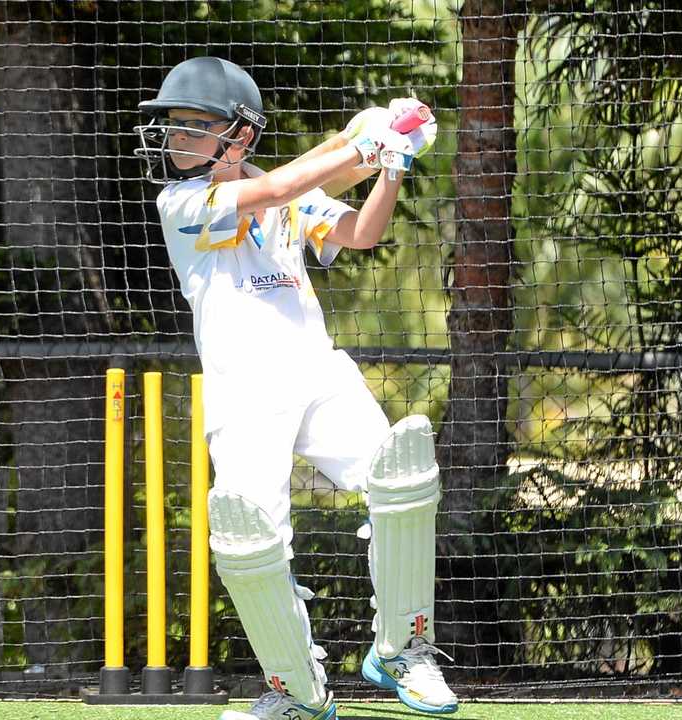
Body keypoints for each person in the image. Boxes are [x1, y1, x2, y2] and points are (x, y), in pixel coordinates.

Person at [134, 56, 458, 718]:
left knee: (401, 480)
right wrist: (356, 141)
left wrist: (389, 156)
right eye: (172, 127)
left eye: (193, 127)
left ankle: (403, 650)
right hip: (244, 395)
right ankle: (296, 689)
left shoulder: (280, 188)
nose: (174, 140)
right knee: (250, 541)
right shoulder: (183, 203)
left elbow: (360, 233)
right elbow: (280, 188)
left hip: (316, 370)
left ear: (239, 136)